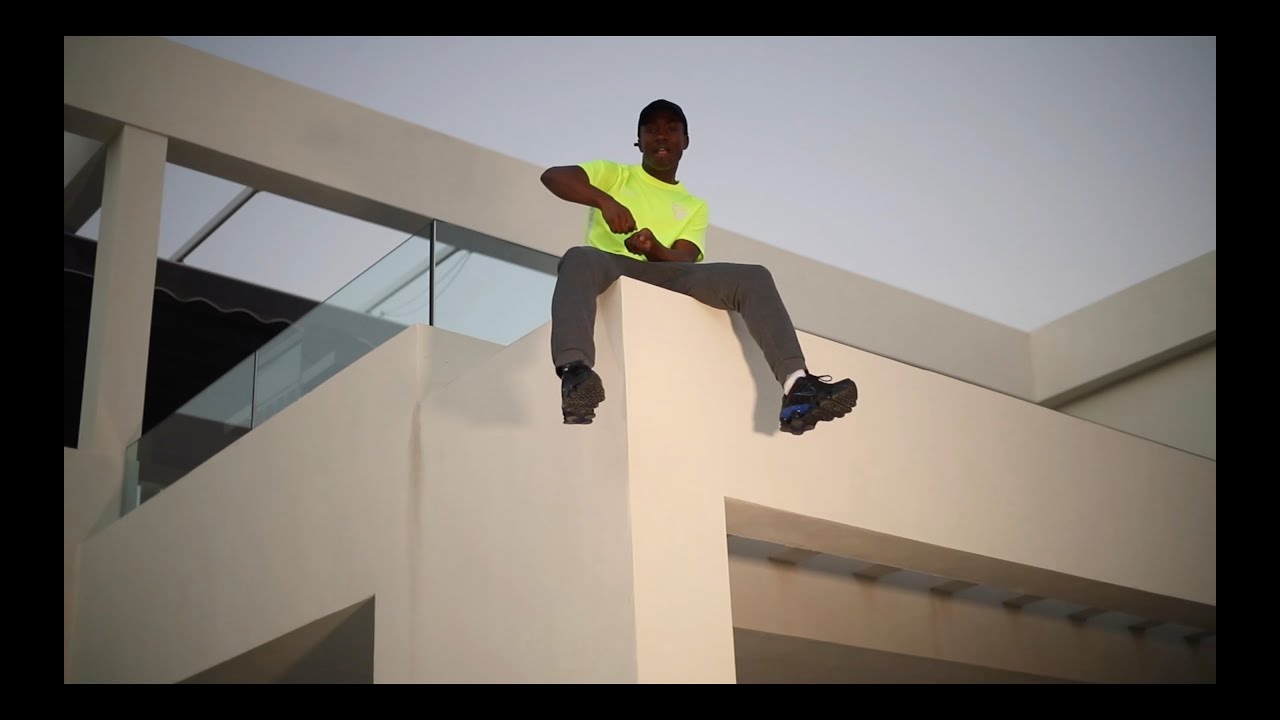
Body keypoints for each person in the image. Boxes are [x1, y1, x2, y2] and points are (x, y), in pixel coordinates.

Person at [540, 99, 857, 435]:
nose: (662, 136)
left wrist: (653, 248)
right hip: (611, 265)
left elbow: (685, 259)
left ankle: (798, 387)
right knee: (578, 257)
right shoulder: (615, 175)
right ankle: (575, 374)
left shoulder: (693, 206)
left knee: (754, 276)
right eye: (652, 130)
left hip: (669, 274)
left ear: (685, 141)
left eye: (671, 129)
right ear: (639, 141)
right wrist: (606, 201)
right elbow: (553, 176)